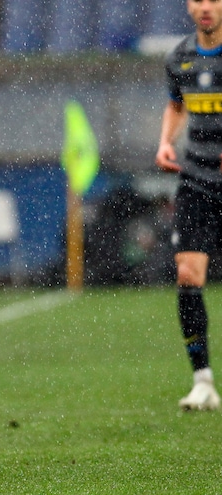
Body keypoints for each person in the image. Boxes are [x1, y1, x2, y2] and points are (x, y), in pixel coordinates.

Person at [156, 0, 222, 411]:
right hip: (197, 180)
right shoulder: (179, 57)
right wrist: (166, 140)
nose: (206, 7)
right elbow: (177, 104)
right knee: (187, 274)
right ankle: (203, 382)